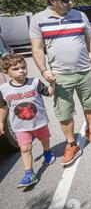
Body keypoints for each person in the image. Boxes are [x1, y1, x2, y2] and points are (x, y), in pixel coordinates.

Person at [30, 0, 91, 167]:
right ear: (52, 0)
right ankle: (72, 144)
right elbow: (37, 49)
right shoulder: (38, 19)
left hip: (85, 71)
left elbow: (90, 40)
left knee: (90, 103)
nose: (70, 2)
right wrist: (44, 70)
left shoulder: (80, 15)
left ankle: (90, 130)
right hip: (60, 76)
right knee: (63, 112)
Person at [0, 55, 55, 188]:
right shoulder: (3, 89)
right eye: (16, 69)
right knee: (25, 149)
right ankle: (29, 174)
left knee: (44, 139)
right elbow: (3, 107)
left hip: (39, 122)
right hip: (20, 126)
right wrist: (1, 122)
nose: (21, 71)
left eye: (23, 67)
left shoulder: (35, 82)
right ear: (6, 72)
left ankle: (47, 152)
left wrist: (52, 83)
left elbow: (49, 93)